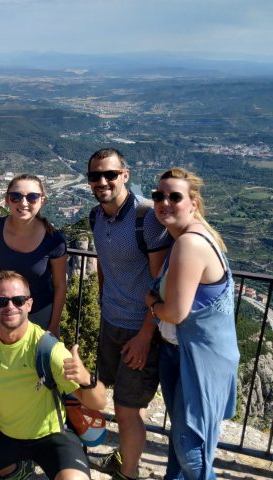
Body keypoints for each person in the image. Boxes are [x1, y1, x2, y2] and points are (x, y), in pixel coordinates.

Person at [0, 270, 106, 480]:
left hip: (51, 436)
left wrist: (87, 380)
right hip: (2, 432)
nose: (10, 307)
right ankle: (15, 470)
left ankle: (10, 468)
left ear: (29, 304)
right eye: (1, 301)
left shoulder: (48, 349)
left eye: (18, 300)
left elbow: (99, 403)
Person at [145, 168, 238, 480]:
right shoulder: (186, 239)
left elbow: (176, 313)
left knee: (191, 451)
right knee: (182, 442)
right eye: (159, 196)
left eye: (175, 196)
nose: (165, 202)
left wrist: (153, 305)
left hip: (199, 359)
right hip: (184, 351)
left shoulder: (189, 244)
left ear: (194, 202)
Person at [86, 148, 172, 480]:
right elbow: (104, 265)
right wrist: (103, 300)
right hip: (111, 321)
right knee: (100, 392)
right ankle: (123, 459)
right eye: (95, 176)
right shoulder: (96, 216)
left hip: (140, 330)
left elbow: (159, 286)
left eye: (110, 174)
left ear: (125, 174)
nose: (102, 181)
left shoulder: (146, 219)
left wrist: (146, 336)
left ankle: (128, 473)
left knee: (127, 409)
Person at [0, 173, 67, 335]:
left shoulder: (54, 241)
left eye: (32, 197)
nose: (24, 203)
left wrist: (53, 325)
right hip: (5, 311)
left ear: (42, 201)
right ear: (7, 199)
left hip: (40, 314)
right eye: (16, 196)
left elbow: (60, 285)